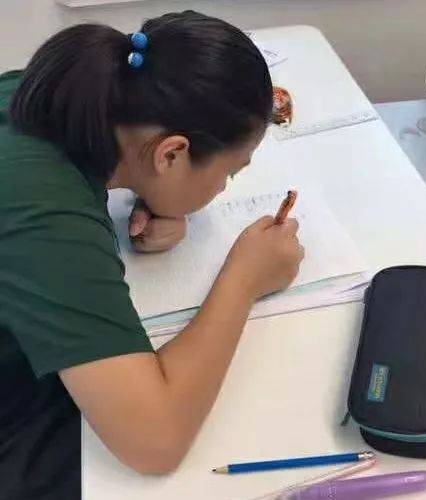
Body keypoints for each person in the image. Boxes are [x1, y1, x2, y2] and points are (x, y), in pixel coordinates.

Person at [0, 11, 303, 499]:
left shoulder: (49, 93)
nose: (224, 188)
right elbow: (155, 443)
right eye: (230, 173)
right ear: (171, 154)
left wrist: (152, 188)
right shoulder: (44, 213)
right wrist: (245, 278)